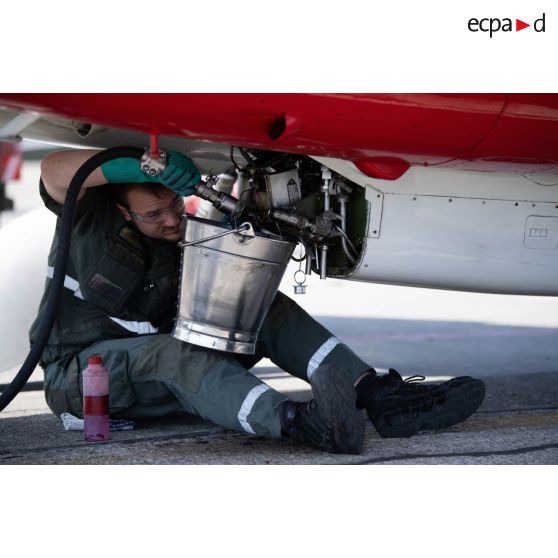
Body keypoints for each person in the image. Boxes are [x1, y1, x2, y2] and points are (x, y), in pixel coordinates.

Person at [30, 148, 486, 455]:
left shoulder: (175, 233)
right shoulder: (85, 219)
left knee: (260, 306)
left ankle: (378, 396)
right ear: (123, 212)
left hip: (161, 374)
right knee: (172, 354)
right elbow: (53, 171)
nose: (173, 220)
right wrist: (140, 167)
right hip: (83, 379)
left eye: (174, 204)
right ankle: (301, 423)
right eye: (154, 214)